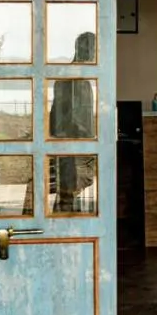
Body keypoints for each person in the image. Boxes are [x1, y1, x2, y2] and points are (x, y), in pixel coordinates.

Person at [50, 32, 97, 212]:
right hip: (73, 144)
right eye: (91, 48)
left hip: (77, 143)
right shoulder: (70, 79)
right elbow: (65, 116)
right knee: (68, 193)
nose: (94, 53)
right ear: (81, 49)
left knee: (69, 195)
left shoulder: (81, 79)